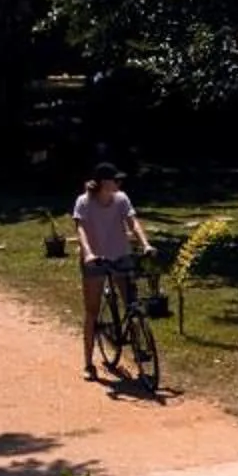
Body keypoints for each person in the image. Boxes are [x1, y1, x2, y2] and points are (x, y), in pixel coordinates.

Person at [72, 160, 153, 377]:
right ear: (102, 182)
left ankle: (139, 349)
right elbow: (81, 231)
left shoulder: (121, 199)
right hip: (95, 260)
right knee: (92, 311)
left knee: (132, 303)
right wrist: (88, 253)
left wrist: (145, 244)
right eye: (114, 179)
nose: (119, 182)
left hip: (120, 256)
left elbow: (133, 222)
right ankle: (88, 363)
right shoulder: (84, 202)